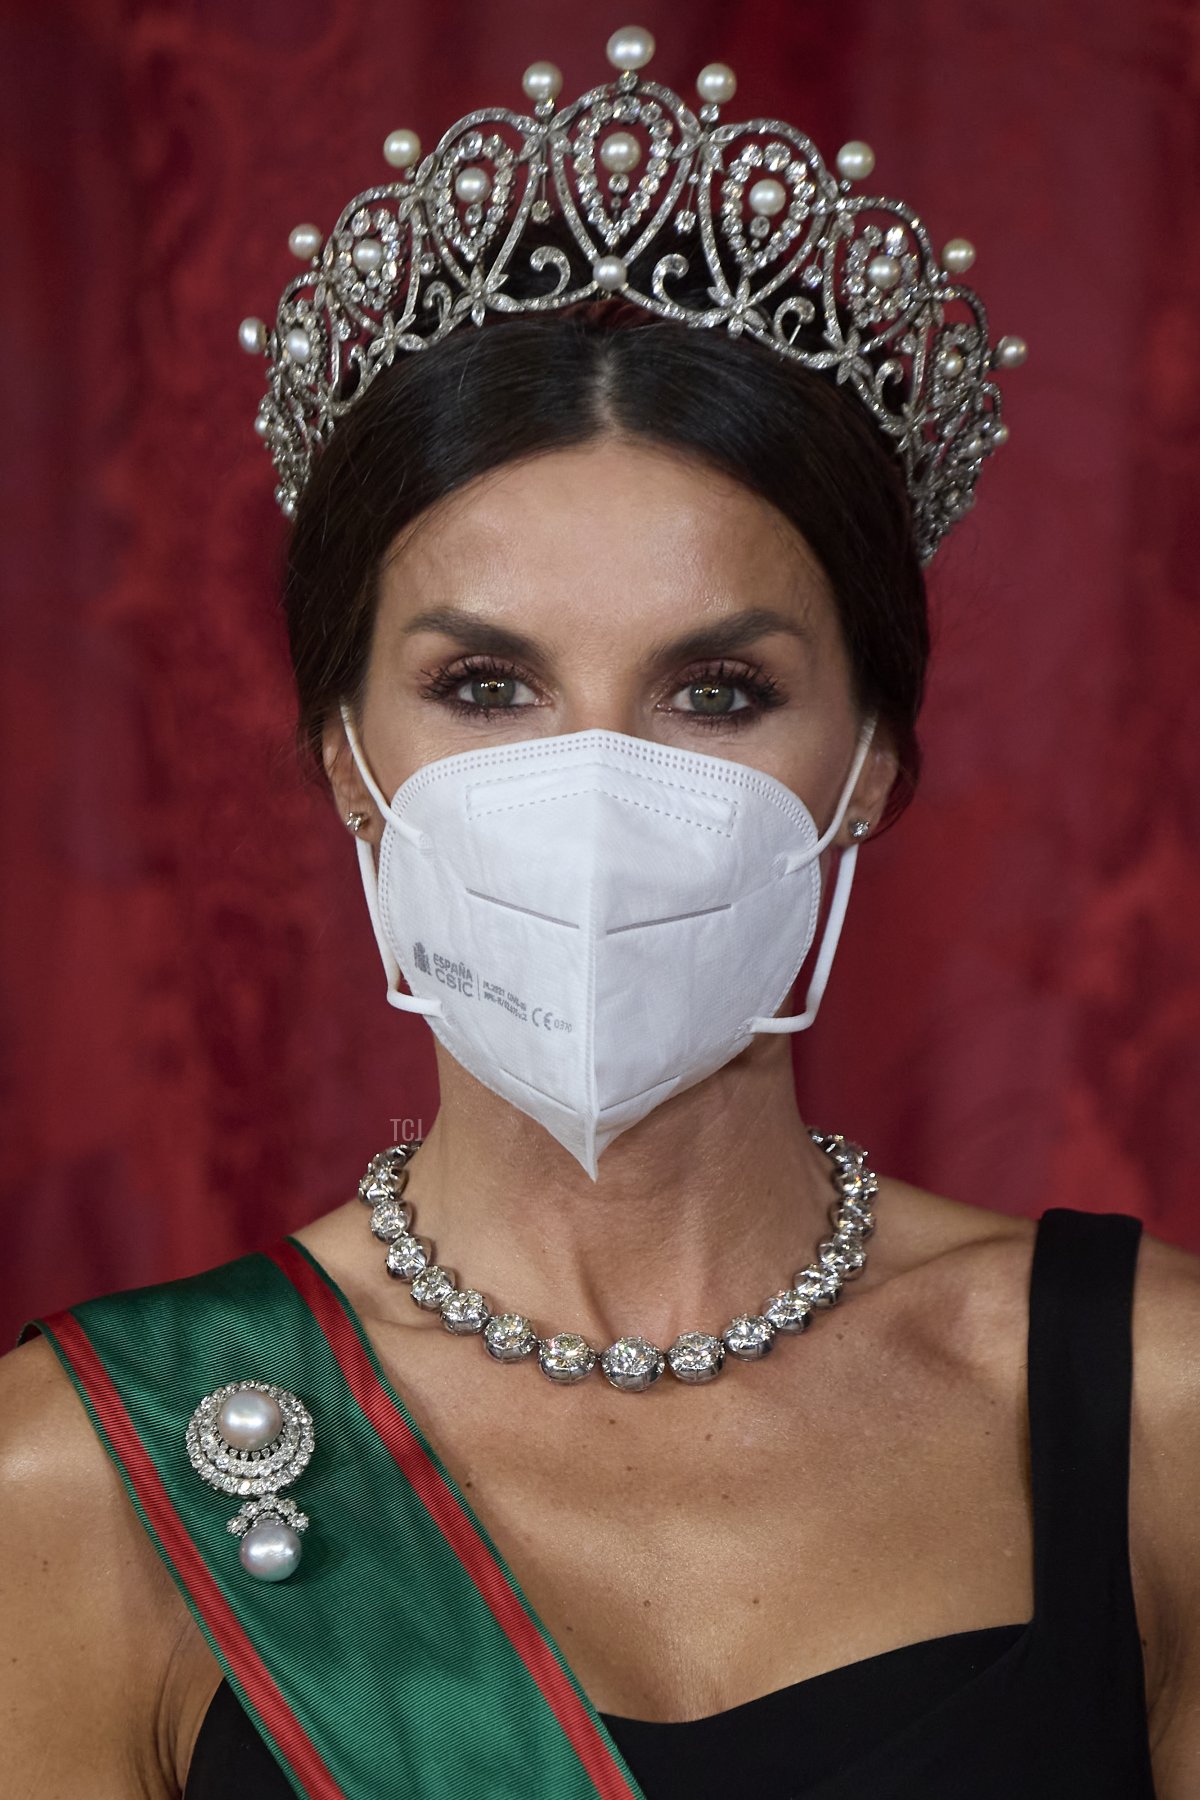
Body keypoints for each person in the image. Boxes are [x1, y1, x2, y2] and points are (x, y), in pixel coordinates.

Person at [2, 26, 1199, 1800]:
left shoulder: (1153, 1407)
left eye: (716, 691)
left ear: (869, 763)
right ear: (349, 757)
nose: (595, 797)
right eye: (485, 686)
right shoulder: (85, 1475)